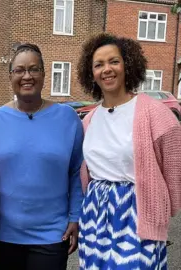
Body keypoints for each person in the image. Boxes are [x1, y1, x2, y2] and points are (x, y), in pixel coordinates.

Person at [76, 33, 181, 269]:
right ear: (91, 73)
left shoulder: (155, 113)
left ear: (127, 65)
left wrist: (164, 210)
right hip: (95, 213)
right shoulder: (89, 120)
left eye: (114, 61)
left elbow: (174, 167)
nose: (107, 69)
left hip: (137, 212)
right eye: (98, 64)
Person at [0, 43, 84, 270]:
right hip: (5, 234)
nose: (27, 76)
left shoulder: (67, 118)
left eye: (34, 69)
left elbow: (77, 171)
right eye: (19, 70)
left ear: (44, 74)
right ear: (10, 76)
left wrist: (75, 216)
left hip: (53, 235)